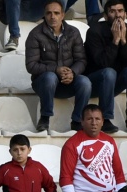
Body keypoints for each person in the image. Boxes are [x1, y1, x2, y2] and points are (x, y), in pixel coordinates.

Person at [60, 105, 126, 192]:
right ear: (82, 121)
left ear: (103, 121)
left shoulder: (110, 141)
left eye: (97, 119)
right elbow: (65, 178)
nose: (94, 123)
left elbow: (119, 175)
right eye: (89, 119)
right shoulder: (72, 144)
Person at [25, 1, 90, 133]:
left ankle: (77, 121)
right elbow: (31, 66)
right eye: (49, 13)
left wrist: (72, 72)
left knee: (85, 82)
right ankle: (45, 118)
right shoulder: (35, 34)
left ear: (63, 15)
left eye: (56, 13)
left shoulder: (73, 32)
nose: (52, 16)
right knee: (50, 77)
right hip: (43, 83)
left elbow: (81, 60)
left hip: (68, 82)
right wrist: (56, 70)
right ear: (44, 15)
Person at [84, 1, 127, 135]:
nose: (117, 15)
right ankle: (105, 119)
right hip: (93, 83)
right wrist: (115, 42)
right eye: (112, 11)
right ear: (106, 16)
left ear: (125, 14)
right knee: (109, 72)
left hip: (114, 82)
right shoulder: (94, 31)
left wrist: (124, 41)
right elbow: (102, 62)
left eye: (120, 11)